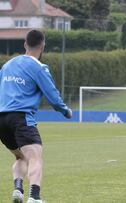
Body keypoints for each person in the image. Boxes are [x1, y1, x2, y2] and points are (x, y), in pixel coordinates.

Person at [0, 30, 72, 203]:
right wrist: (65, 111)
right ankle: (34, 197)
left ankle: (18, 189)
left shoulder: (7, 65)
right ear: (43, 46)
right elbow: (53, 96)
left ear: (25, 44)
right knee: (35, 157)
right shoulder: (39, 67)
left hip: (1, 119)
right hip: (21, 117)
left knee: (21, 156)